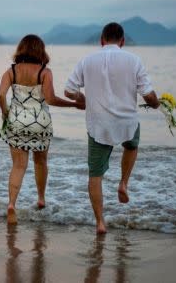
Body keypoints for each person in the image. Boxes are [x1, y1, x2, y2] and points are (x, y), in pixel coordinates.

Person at [64, 22, 160, 234]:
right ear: (123, 41)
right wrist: (156, 104)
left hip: (99, 124)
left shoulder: (87, 60)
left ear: (101, 40)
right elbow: (148, 94)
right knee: (131, 146)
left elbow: (69, 91)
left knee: (95, 175)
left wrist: (82, 99)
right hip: (127, 122)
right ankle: (123, 183)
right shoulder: (134, 60)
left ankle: (100, 223)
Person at [0, 34, 84, 225]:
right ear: (40, 50)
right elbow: (51, 99)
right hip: (40, 123)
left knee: (18, 166)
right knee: (41, 162)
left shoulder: (11, 71)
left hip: (17, 122)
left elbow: (0, 95)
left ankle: (12, 204)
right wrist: (74, 105)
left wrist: (5, 114)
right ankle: (41, 199)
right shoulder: (45, 72)